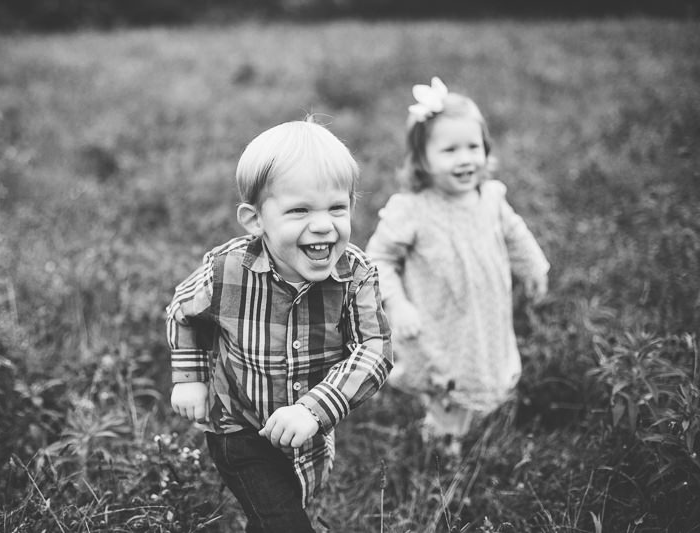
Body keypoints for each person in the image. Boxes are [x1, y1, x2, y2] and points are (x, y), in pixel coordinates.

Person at [166, 117, 393, 532]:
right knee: (282, 520)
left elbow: (373, 351)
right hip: (237, 425)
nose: (324, 224)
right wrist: (189, 378)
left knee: (275, 511)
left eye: (337, 208)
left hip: (306, 430)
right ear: (255, 220)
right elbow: (183, 311)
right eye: (300, 210)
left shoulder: (355, 275)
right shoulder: (226, 270)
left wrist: (315, 408)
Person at [366, 77, 549, 455]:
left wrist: (533, 267)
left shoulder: (490, 197)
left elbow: (515, 233)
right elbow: (379, 259)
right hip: (437, 319)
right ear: (421, 159)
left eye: (473, 146)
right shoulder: (412, 209)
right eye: (450, 150)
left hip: (483, 317)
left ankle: (473, 420)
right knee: (444, 380)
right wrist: (397, 304)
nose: (465, 158)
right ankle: (441, 445)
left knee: (482, 367)